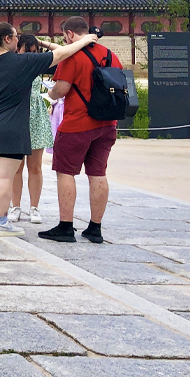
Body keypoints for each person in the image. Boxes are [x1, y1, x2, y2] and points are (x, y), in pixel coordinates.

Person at [0, 22, 100, 237]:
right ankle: (1, 222)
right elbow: (61, 54)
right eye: (16, 36)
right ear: (8, 40)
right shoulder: (22, 62)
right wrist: (84, 40)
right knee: (3, 178)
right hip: (10, 129)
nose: (19, 39)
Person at [40, 17, 119, 244]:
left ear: (71, 34)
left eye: (65, 36)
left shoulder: (72, 56)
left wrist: (51, 94)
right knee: (98, 174)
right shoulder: (110, 54)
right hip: (107, 123)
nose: (65, 40)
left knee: (66, 172)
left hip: (78, 123)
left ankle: (65, 227)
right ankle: (95, 228)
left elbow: (62, 89)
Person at [8, 34, 56, 224]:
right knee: (15, 167)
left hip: (36, 115)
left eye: (34, 51)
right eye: (26, 50)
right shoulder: (11, 63)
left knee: (35, 166)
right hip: (17, 113)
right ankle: (15, 206)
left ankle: (34, 207)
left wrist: (42, 42)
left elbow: (60, 53)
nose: (30, 55)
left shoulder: (38, 64)